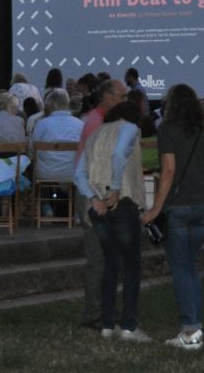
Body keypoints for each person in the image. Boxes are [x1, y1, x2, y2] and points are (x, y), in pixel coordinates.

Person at [141, 83, 204, 351]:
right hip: (201, 206)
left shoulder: (167, 130)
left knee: (181, 269)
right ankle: (195, 326)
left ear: (171, 104)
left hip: (177, 207)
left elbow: (169, 172)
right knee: (193, 266)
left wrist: (155, 210)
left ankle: (190, 330)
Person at [74, 100, 151, 342]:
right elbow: (119, 154)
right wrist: (116, 188)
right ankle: (128, 326)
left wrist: (93, 197)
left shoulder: (95, 133)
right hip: (122, 202)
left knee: (110, 264)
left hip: (97, 205)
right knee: (131, 266)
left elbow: (78, 173)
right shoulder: (129, 129)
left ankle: (107, 324)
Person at [76, 78, 128, 329]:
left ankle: (103, 310)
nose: (125, 101)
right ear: (107, 96)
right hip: (94, 196)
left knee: (108, 258)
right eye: (121, 96)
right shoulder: (96, 124)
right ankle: (94, 314)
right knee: (99, 259)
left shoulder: (101, 122)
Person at [30, 88, 83, 183]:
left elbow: (31, 148)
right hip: (72, 173)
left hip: (45, 173)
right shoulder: (80, 124)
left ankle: (38, 196)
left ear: (52, 105)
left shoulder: (42, 124)